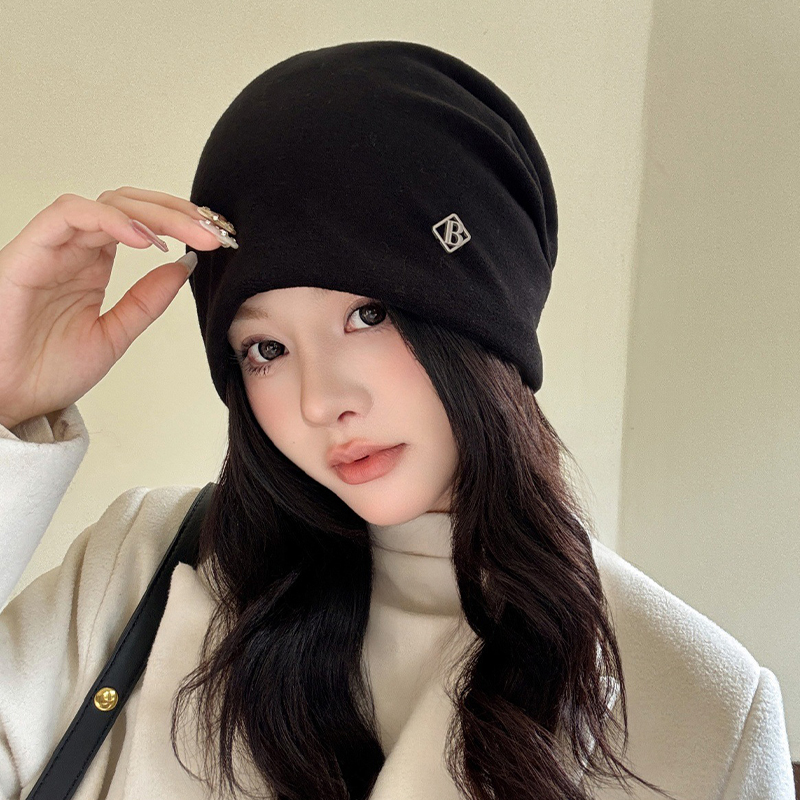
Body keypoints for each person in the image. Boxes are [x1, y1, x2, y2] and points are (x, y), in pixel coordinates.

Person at [0, 40, 794, 800]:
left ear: (483, 319)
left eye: (369, 314)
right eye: (267, 348)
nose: (320, 401)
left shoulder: (702, 710)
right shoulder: (136, 570)